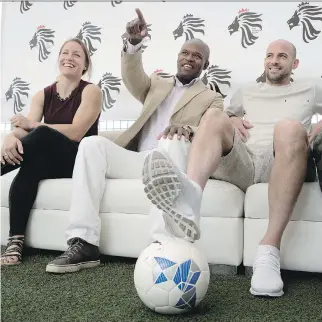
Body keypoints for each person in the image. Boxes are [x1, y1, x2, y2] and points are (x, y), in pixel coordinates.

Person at [45, 8, 223, 274]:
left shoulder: (212, 97)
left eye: (197, 56)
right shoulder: (157, 83)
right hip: (137, 159)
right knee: (92, 145)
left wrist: (187, 129)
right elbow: (132, 76)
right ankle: (83, 243)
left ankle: (160, 246)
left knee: (171, 142)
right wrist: (133, 44)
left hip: (172, 157)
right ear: (178, 57)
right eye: (185, 53)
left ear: (205, 65)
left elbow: (212, 129)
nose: (189, 58)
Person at [141, 39, 322, 297]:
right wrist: (232, 118)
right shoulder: (246, 91)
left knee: (289, 127)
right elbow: (225, 117)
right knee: (214, 116)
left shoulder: (311, 88)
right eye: (269, 55)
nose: (274, 60)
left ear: (294, 63)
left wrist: (319, 126)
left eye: (282, 56)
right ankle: (190, 200)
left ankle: (268, 253)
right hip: (245, 162)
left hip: (282, 159)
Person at [0, 38, 103, 266]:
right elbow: (25, 129)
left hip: (79, 160)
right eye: (65, 53)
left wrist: (31, 126)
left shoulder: (91, 91)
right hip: (52, 160)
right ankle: (15, 242)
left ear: (85, 65)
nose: (69, 57)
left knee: (42, 134)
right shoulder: (42, 95)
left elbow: (76, 132)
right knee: (30, 166)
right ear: (58, 59)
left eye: (77, 55)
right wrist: (9, 137)